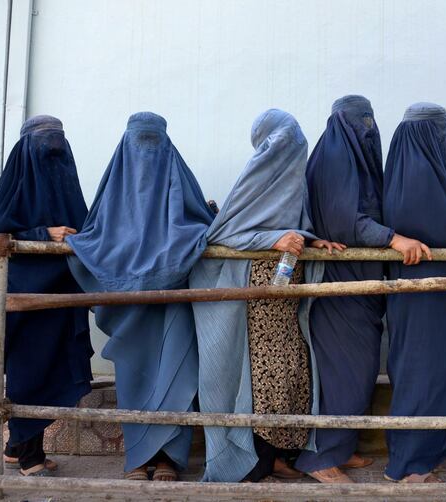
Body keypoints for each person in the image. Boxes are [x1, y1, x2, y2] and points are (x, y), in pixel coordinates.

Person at [190, 109, 343, 482]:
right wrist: (270, 239)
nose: (293, 148)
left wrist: (311, 238)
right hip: (258, 292)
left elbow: (296, 223)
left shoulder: (296, 179)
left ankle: (275, 454)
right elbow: (223, 233)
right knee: (261, 374)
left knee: (289, 371)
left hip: (287, 293)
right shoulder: (254, 176)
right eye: (285, 140)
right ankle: (253, 460)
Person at [67, 112, 214, 481]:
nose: (146, 153)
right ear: (125, 146)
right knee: (136, 376)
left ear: (166, 146)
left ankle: (170, 460)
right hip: (129, 310)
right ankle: (137, 457)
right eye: (140, 142)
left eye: (153, 142)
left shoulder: (178, 178)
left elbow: (202, 227)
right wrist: (72, 242)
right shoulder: (113, 191)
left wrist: (189, 238)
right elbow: (93, 235)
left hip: (172, 304)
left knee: (177, 376)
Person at [295, 95, 431, 483]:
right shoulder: (335, 159)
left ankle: (341, 447)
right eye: (361, 121)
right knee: (345, 372)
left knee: (361, 369)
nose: (368, 128)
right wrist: (394, 239)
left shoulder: (355, 161)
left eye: (371, 120)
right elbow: (346, 222)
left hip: (363, 281)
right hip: (340, 285)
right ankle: (318, 459)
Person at [0, 115, 93, 477]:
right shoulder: (15, 184)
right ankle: (30, 459)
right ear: (27, 147)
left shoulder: (66, 182)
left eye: (58, 143)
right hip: (22, 300)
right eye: (45, 144)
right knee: (29, 374)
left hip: (59, 298)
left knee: (52, 370)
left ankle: (16, 449)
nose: (52, 152)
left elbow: (85, 226)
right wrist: (44, 233)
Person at [382, 102, 446, 483]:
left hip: (432, 300)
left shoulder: (403, 177)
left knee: (434, 370)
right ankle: (409, 463)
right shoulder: (423, 186)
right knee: (422, 372)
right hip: (426, 300)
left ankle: (432, 446)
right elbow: (443, 228)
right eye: (442, 132)